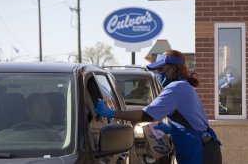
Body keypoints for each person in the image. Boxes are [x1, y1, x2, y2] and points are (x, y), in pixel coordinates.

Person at [94, 50, 222, 164]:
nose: (158, 74)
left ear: (173, 69)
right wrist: (171, 130)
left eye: (161, 70)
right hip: (202, 147)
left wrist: (112, 113)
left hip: (199, 151)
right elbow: (195, 122)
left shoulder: (176, 87)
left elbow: (145, 115)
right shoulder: (184, 86)